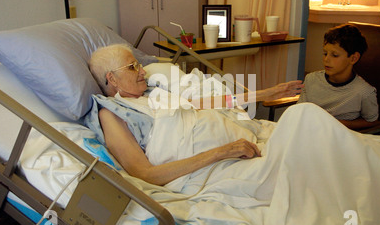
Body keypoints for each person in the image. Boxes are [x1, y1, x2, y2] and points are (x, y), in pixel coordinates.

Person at [87, 44, 303, 186]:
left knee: (303, 121)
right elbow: (146, 175)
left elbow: (204, 104)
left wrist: (266, 93)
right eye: (133, 67)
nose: (143, 71)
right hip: (209, 164)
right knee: (291, 174)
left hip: (235, 144)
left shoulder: (153, 93)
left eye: (139, 65)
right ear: (112, 79)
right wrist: (222, 152)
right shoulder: (112, 114)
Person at [297, 24, 378, 130]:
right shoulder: (311, 79)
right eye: (325, 53)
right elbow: (299, 112)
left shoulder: (364, 92)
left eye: (334, 55)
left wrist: (335, 123)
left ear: (353, 58)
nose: (326, 59)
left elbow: (371, 121)